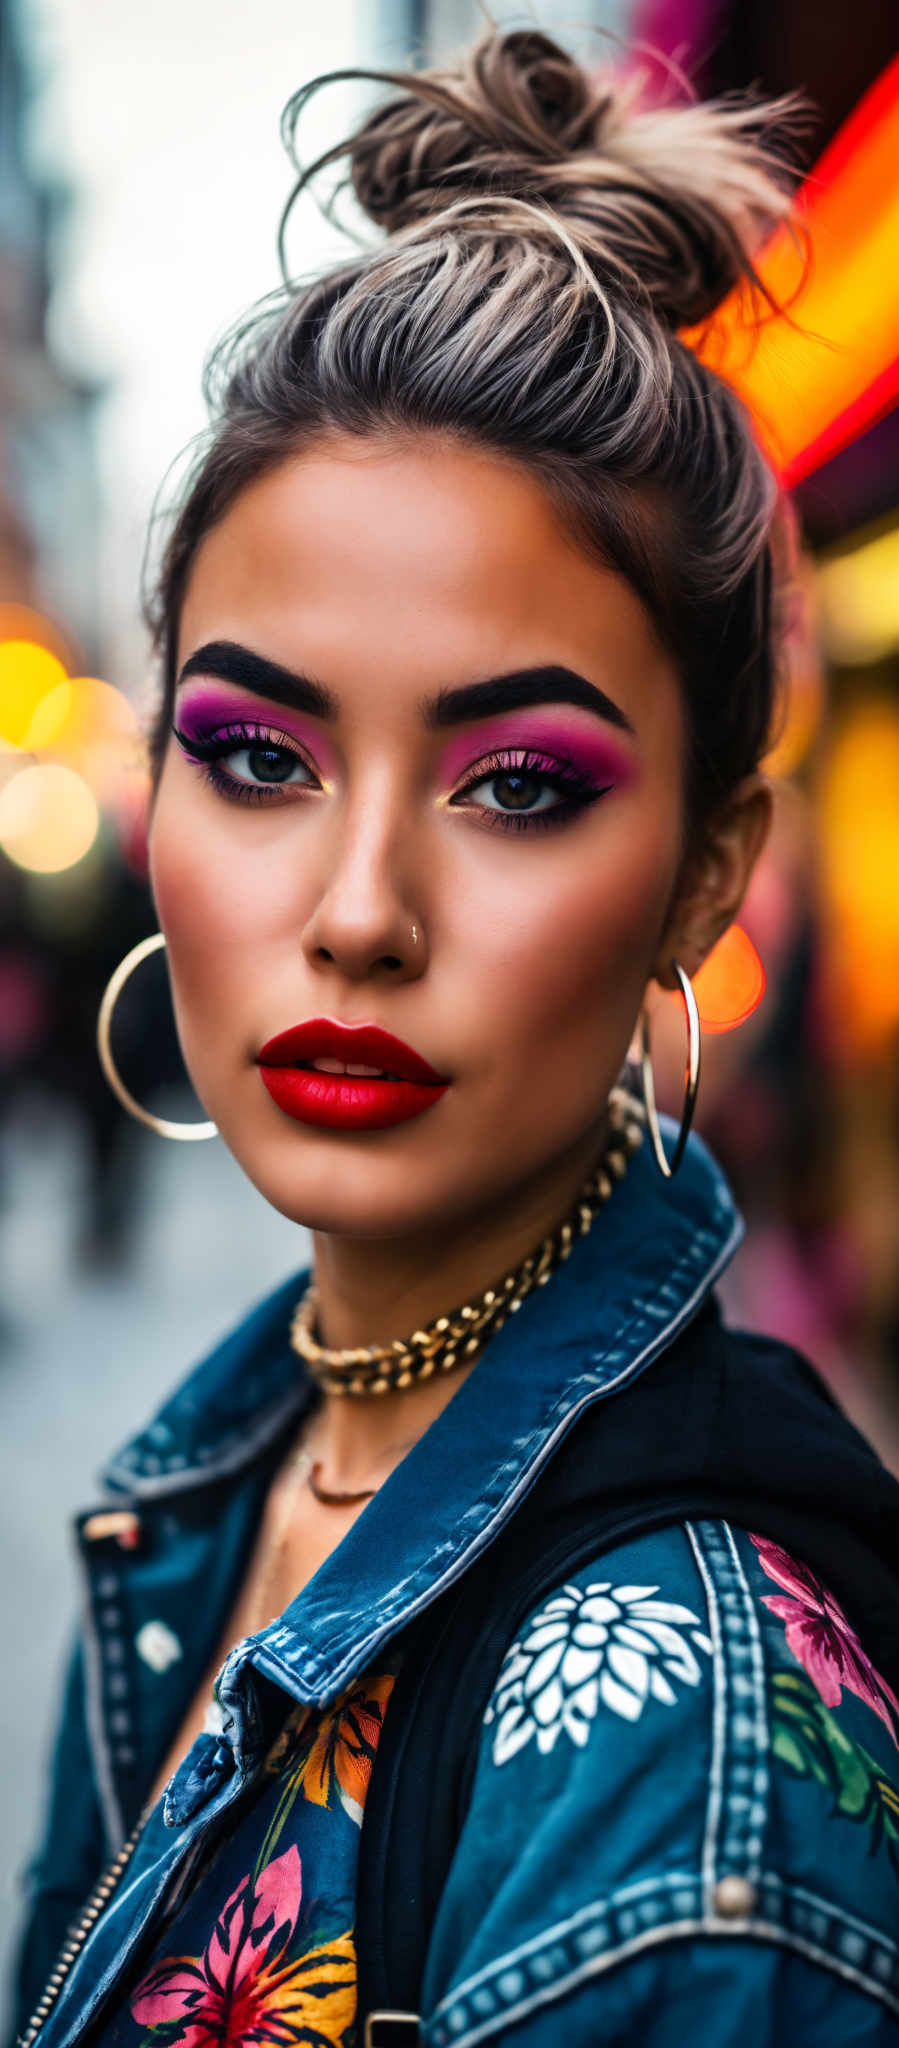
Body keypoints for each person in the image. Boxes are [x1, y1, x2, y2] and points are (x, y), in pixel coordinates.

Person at [9, 28, 899, 2048]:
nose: (357, 908)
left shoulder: (673, 1762)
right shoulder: (219, 1480)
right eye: (258, 757)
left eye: (517, 782)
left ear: (703, 872)